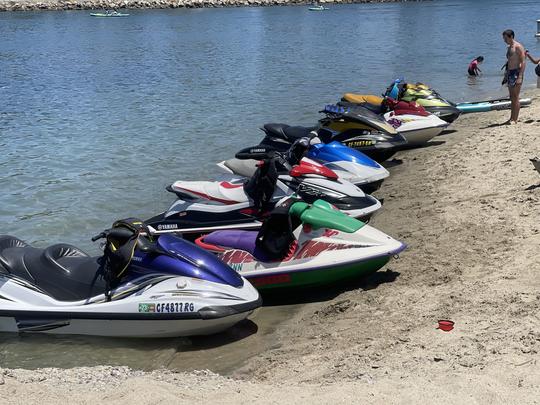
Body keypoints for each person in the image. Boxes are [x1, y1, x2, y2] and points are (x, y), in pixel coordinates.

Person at [502, 29, 526, 124]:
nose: (504, 40)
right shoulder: (509, 47)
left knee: (515, 97)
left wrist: (520, 76)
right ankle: (511, 118)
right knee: (511, 97)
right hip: (510, 73)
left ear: (511, 36)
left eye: (505, 38)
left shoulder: (518, 47)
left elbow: (523, 62)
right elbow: (509, 61)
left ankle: (515, 119)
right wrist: (506, 74)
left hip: (516, 73)